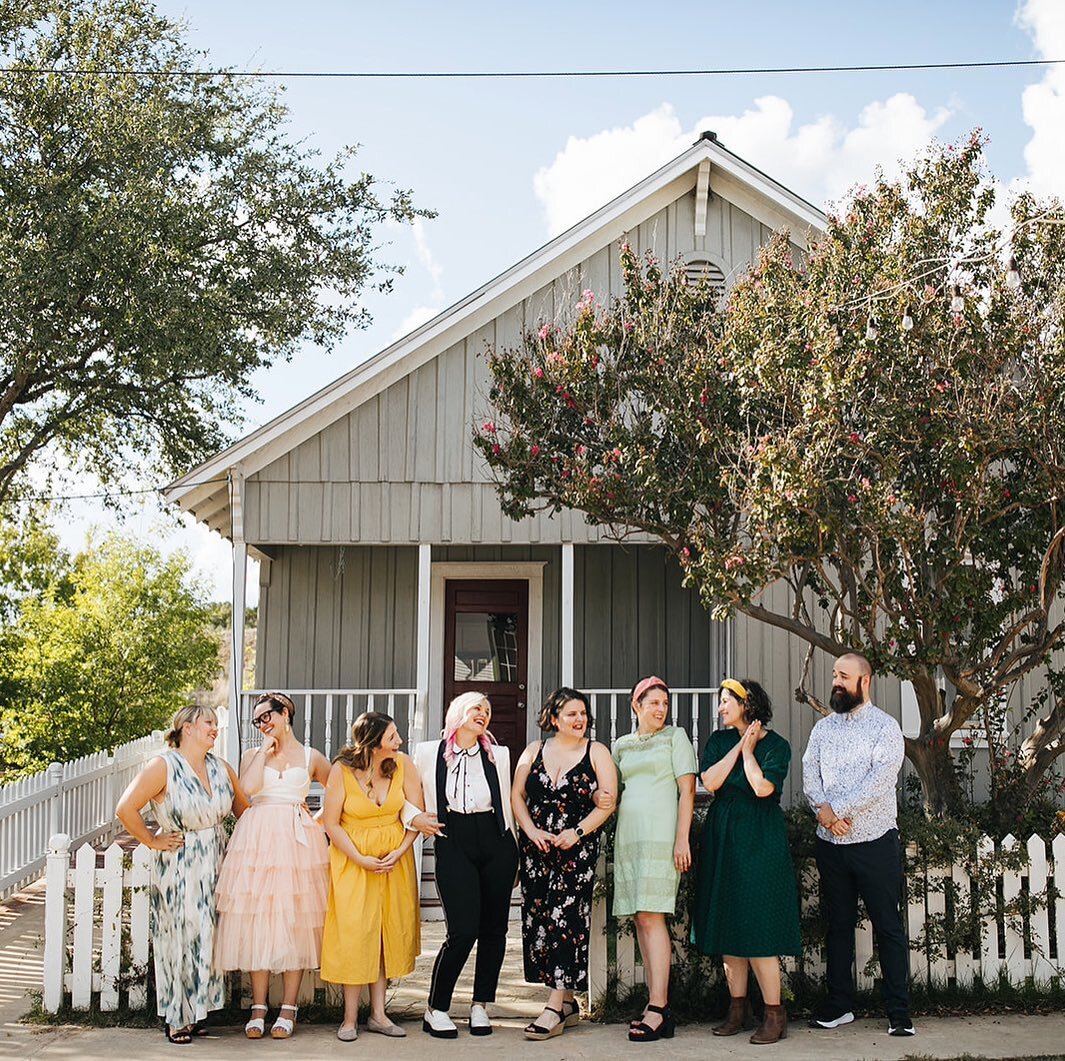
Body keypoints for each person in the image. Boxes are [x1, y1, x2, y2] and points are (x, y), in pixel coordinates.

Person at [115, 704, 248, 1045]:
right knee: (180, 937)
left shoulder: (221, 768)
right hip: (180, 864)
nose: (215, 729)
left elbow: (245, 811)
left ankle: (196, 1013)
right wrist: (151, 840)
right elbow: (125, 808)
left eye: (216, 725)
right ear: (187, 727)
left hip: (217, 861)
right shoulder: (163, 766)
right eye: (209, 723)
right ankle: (176, 1017)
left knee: (209, 938)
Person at [802, 652, 914, 1038]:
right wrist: (825, 813)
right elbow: (809, 776)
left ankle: (899, 1012)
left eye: (843, 676)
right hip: (830, 845)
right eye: (834, 675)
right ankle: (839, 1005)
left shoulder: (886, 728)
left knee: (888, 927)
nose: (836, 681)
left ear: (864, 682)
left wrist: (839, 810)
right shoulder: (823, 730)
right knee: (838, 926)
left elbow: (881, 780)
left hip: (875, 843)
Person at [213, 692, 331, 1039]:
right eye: (257, 720)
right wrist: (264, 752)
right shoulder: (252, 755)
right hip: (257, 839)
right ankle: (259, 1006)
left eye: (268, 716)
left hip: (296, 842)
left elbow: (337, 791)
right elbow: (246, 792)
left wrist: (318, 821)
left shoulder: (311, 756)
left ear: (285, 714)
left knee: (294, 919)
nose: (263, 724)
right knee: (256, 919)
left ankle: (289, 1007)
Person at [691, 678, 801, 1045]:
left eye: (726, 701)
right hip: (723, 835)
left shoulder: (777, 746)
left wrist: (751, 752)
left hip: (759, 837)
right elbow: (711, 780)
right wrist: (740, 744)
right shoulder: (719, 741)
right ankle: (738, 1008)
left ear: (747, 704)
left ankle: (774, 1013)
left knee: (758, 928)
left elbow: (761, 788)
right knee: (728, 923)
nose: (721, 707)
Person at [511, 688, 618, 1041]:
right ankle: (569, 1003)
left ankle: (554, 1007)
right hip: (537, 850)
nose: (580, 719)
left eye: (583, 713)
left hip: (576, 850)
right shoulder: (534, 750)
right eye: (572, 714)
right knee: (541, 919)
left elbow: (608, 801)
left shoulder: (597, 751)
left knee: (567, 921)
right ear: (554, 718)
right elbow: (517, 795)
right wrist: (530, 831)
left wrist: (577, 831)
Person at [410, 692, 519, 1038]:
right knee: (462, 931)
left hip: (496, 841)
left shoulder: (498, 754)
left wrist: (514, 852)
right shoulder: (428, 752)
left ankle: (479, 1006)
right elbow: (406, 795)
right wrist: (415, 819)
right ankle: (436, 1007)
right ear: (458, 712)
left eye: (487, 711)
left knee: (494, 930)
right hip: (452, 839)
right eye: (476, 709)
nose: (483, 715)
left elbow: (507, 803)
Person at [319, 711, 423, 1041]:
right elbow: (331, 823)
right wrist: (360, 858)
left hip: (394, 863)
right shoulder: (342, 769)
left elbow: (416, 817)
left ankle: (378, 1014)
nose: (400, 742)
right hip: (354, 862)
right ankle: (349, 1018)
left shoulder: (403, 764)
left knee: (383, 937)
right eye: (393, 736)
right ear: (374, 740)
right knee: (355, 935)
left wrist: (401, 850)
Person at [611, 676, 697, 1043]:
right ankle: (653, 1003)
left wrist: (682, 839)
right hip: (630, 836)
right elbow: (613, 789)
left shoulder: (676, 737)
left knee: (652, 915)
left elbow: (687, 790)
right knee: (640, 918)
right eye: (653, 703)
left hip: (663, 836)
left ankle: (660, 1007)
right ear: (637, 706)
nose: (660, 709)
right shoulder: (621, 745)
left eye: (664, 703)